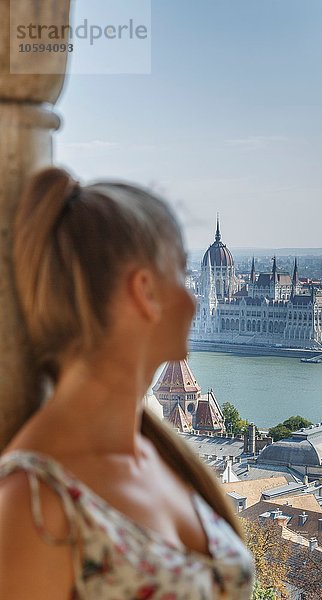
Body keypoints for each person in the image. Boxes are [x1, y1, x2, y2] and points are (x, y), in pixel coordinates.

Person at [0, 168, 254, 599]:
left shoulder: (156, 451)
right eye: (179, 274)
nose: (193, 300)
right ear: (143, 290)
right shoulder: (33, 507)